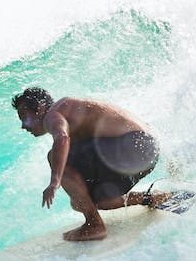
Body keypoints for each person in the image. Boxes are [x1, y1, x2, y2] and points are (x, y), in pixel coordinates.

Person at [11, 86, 171, 242]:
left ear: (40, 108)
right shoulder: (73, 115)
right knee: (96, 201)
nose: (23, 126)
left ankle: (93, 224)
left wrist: (54, 182)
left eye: (24, 116)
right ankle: (150, 198)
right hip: (146, 153)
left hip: (134, 146)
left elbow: (62, 138)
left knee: (54, 156)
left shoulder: (54, 113)